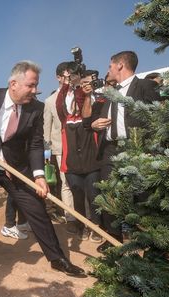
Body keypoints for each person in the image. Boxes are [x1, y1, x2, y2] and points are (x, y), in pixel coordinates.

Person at [0, 61, 85, 278]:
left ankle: (58, 259)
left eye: (37, 86)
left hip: (16, 170)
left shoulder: (36, 108)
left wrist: (39, 175)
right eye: (31, 86)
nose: (35, 90)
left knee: (37, 210)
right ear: (13, 83)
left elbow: (35, 144)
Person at [89, 51, 161, 249]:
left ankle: (148, 242)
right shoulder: (110, 93)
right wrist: (95, 125)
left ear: (120, 65)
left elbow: (157, 120)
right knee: (109, 194)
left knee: (141, 195)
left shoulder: (146, 86)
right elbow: (96, 119)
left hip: (137, 148)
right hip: (110, 150)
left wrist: (151, 149)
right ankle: (113, 239)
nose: (108, 70)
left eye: (110, 66)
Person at [56, 67, 103, 243]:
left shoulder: (90, 115)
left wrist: (84, 91)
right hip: (72, 165)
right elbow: (60, 101)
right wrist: (67, 84)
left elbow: (83, 102)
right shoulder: (65, 118)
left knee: (93, 195)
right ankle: (81, 226)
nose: (75, 101)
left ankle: (96, 228)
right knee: (77, 197)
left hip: (91, 163)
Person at [43, 62, 76, 224]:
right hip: (60, 149)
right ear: (58, 77)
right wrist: (47, 155)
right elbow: (46, 130)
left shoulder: (80, 94)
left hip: (81, 148)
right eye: (66, 75)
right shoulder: (50, 101)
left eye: (72, 75)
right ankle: (71, 218)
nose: (70, 78)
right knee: (66, 183)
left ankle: (87, 218)